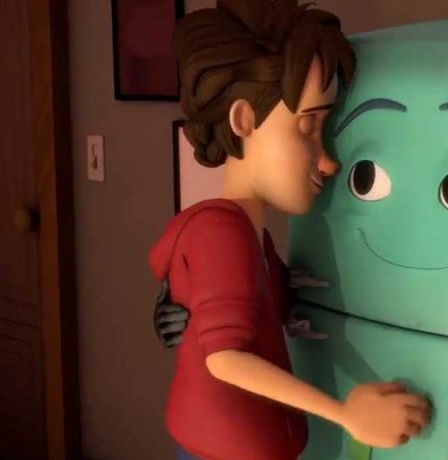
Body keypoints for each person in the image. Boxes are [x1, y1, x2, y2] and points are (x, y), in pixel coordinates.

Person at [147, 2, 431, 459]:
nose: (327, 162)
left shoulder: (251, 239)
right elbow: (225, 360)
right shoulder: (222, 234)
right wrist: (346, 414)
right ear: (243, 120)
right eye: (307, 127)